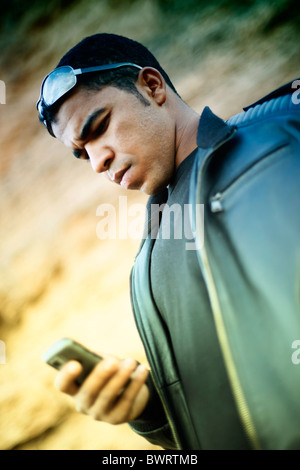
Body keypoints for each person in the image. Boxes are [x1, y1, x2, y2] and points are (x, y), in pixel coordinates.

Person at [37, 33, 300, 450]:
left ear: (152, 87)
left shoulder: (280, 133)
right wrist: (148, 411)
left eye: (99, 127)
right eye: (82, 153)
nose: (98, 161)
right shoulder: (145, 267)